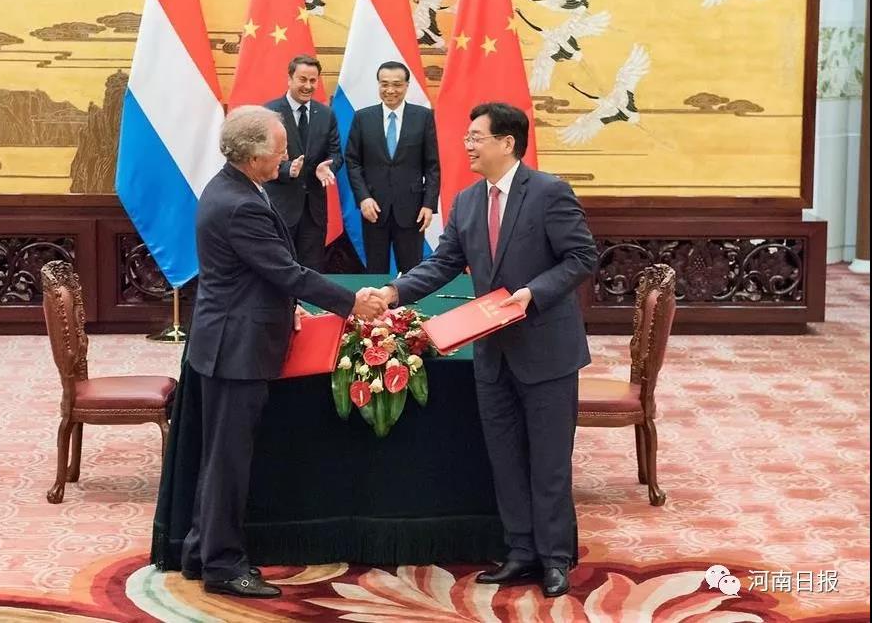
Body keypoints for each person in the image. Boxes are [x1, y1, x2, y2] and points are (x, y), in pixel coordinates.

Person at [369, 103, 597, 598]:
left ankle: (555, 558)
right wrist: (392, 292)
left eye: (476, 137)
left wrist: (534, 293)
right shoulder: (468, 200)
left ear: (507, 142)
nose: (467, 145)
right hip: (493, 353)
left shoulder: (549, 193)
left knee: (549, 461)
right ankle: (520, 551)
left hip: (546, 349)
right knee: (505, 458)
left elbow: (582, 257)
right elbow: (444, 263)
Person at [182, 105, 385, 599]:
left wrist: (287, 305)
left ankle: (200, 550)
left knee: (220, 457)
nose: (287, 155)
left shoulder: (234, 187)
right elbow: (286, 271)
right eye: (279, 149)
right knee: (229, 460)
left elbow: (259, 274)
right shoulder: (241, 204)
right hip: (236, 349)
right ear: (253, 156)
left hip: (230, 338)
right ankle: (223, 565)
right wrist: (351, 303)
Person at [346, 61, 440, 274]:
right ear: (378, 84)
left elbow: (432, 166)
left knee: (412, 274)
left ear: (406, 86)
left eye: (397, 84)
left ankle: (410, 300)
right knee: (375, 272)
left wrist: (429, 204)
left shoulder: (423, 117)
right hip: (373, 209)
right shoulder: (363, 117)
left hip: (412, 210)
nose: (390, 90)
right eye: (384, 84)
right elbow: (353, 162)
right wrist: (363, 197)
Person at [263, 55, 342, 272]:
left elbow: (336, 153)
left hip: (314, 211)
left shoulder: (326, 114)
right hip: (281, 208)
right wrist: (287, 169)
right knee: (279, 269)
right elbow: (261, 157)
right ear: (290, 79)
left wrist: (328, 167)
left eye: (313, 80)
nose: (308, 86)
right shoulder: (269, 113)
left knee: (312, 272)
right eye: (302, 79)